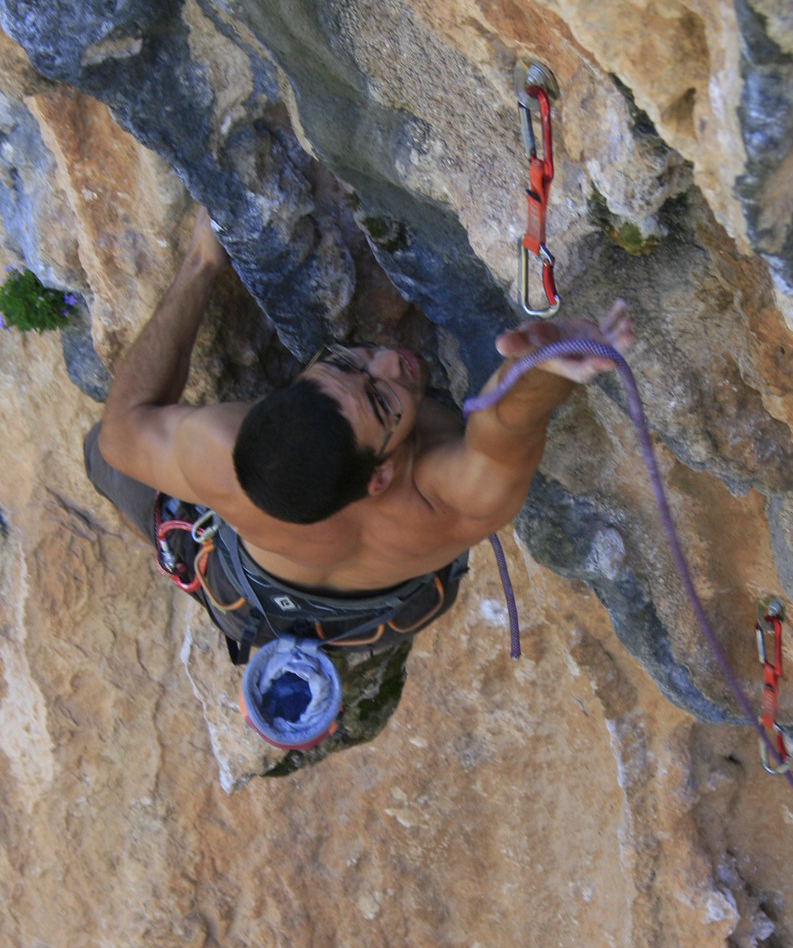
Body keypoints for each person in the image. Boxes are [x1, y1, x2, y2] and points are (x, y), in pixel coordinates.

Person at [86, 207, 634, 659]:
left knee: (95, 455)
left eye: (348, 361)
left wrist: (202, 264)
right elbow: (503, 431)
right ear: (381, 476)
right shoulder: (446, 504)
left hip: (263, 600)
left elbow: (119, 435)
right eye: (382, 401)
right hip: (379, 611)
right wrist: (543, 374)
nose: (390, 361)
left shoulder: (215, 456)